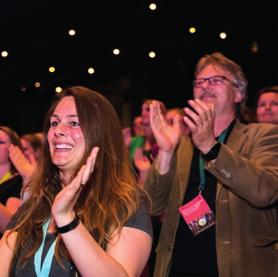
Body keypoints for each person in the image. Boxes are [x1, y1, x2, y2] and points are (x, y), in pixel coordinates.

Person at [145, 52, 278, 277]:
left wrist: (211, 147)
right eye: (199, 82)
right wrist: (166, 152)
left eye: (216, 80)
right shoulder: (182, 145)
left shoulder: (263, 135)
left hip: (238, 268)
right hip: (176, 268)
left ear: (238, 93)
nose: (205, 86)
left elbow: (265, 191)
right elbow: (152, 205)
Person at [0, 86, 152, 276]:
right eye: (54, 123)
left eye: (73, 123)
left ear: (100, 133)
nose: (58, 131)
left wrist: (66, 219)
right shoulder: (35, 205)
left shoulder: (127, 203)